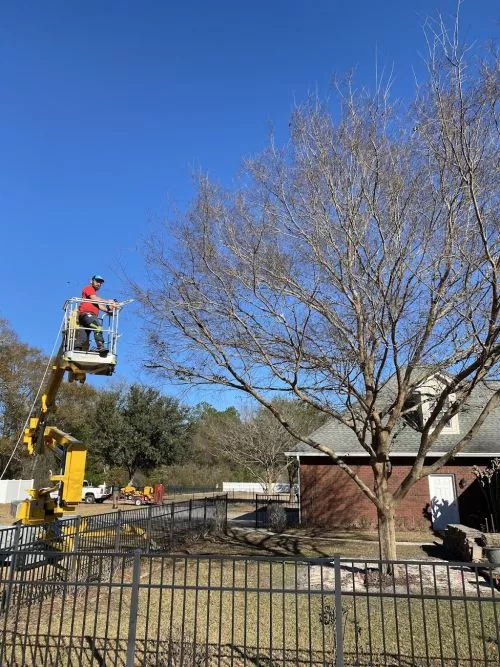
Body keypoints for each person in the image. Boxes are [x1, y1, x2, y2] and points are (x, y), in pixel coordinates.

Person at [75, 274, 116, 355]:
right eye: (97, 281)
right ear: (91, 281)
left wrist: (108, 311)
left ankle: (76, 349)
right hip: (87, 314)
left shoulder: (93, 294)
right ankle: (100, 346)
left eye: (101, 283)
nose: (99, 284)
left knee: (83, 336)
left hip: (85, 317)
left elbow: (99, 306)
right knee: (97, 326)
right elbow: (95, 299)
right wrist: (108, 301)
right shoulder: (89, 288)